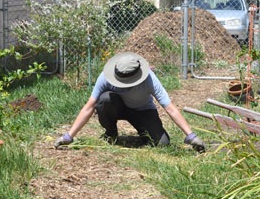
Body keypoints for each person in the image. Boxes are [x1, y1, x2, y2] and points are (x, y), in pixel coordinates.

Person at [54, 52, 205, 152]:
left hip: (142, 110)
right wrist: (69, 136)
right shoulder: (105, 77)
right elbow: (89, 107)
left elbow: (170, 108)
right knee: (105, 99)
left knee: (162, 143)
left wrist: (190, 136)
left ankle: (144, 132)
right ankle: (111, 133)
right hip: (117, 107)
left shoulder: (150, 79)